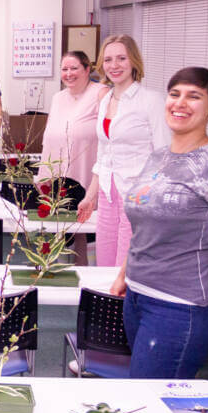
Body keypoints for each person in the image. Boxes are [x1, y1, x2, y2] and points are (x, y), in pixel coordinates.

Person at [110, 67, 208, 378]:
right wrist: (125, 275)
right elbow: (144, 227)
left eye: (194, 96)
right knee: (142, 392)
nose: (180, 103)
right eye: (175, 94)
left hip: (181, 308)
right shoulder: (159, 156)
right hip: (138, 297)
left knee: (154, 401)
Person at [77, 35, 170, 267]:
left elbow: (165, 157)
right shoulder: (105, 99)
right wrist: (90, 196)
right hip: (108, 194)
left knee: (127, 269)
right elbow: (103, 157)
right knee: (105, 265)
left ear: (134, 62)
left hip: (137, 197)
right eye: (108, 60)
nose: (114, 65)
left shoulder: (151, 100)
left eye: (121, 58)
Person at [37, 51, 106, 264]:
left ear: (87, 69)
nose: (69, 74)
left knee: (87, 226)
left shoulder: (101, 93)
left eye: (74, 68)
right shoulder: (58, 97)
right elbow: (49, 137)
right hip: (59, 172)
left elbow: (110, 135)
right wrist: (44, 175)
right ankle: (67, 270)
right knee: (64, 227)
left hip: (88, 169)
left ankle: (89, 271)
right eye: (65, 69)